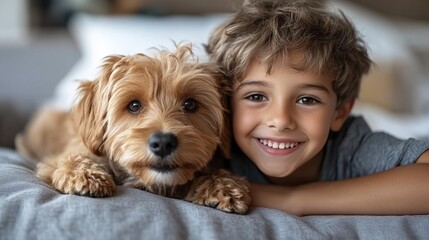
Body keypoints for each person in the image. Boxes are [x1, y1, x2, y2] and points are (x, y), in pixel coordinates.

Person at [206, 0, 429, 216]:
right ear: (225, 102)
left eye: (307, 100)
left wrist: (294, 199)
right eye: (256, 96)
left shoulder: (350, 148)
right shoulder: (210, 145)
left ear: (340, 112)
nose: (281, 120)